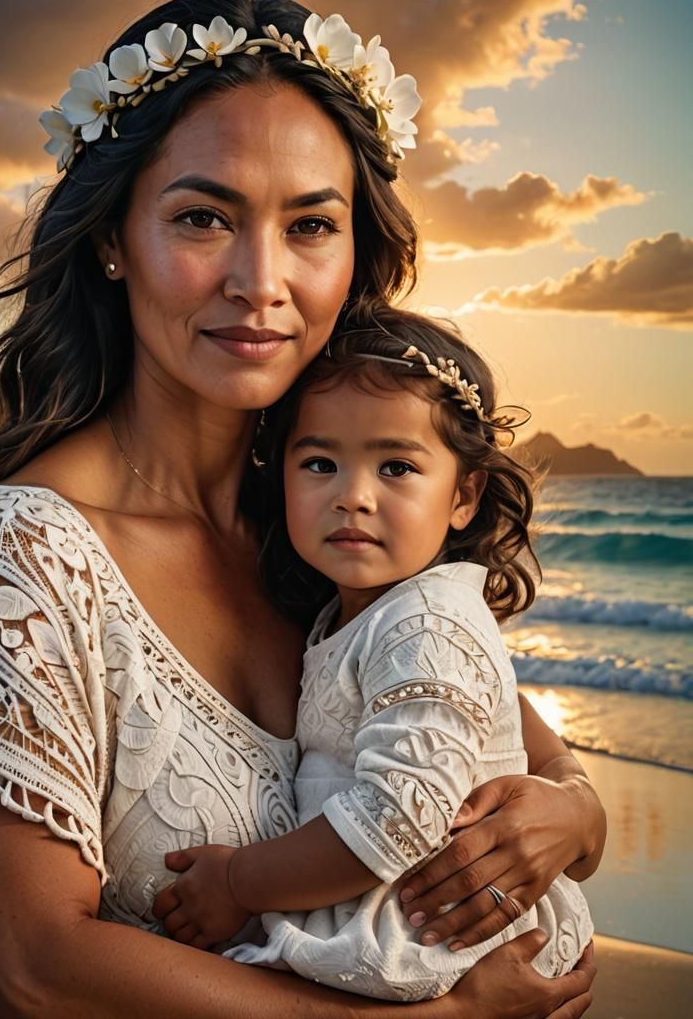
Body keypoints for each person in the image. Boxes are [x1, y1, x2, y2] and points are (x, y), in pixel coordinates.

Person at [0, 0, 603, 1018]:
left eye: (309, 226)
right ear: (113, 238)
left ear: (353, 253)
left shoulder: (330, 531)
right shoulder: (19, 563)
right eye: (203, 218)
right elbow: (19, 977)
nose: (260, 280)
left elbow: (509, 738)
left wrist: (573, 816)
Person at [154, 302, 594, 1001]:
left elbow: (399, 816)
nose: (353, 497)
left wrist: (240, 880)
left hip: (437, 927)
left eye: (395, 466)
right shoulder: (351, 614)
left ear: (464, 494)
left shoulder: (427, 621)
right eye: (321, 463)